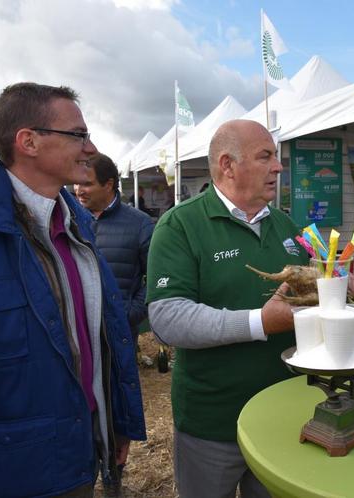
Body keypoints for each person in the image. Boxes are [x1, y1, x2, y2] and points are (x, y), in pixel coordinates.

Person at [0, 82, 146, 497]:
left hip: (82, 457)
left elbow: (96, 342)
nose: (90, 148)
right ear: (28, 141)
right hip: (11, 477)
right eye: (78, 135)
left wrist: (113, 421)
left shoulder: (79, 229)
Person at [146, 119, 308, 498]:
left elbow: (302, 296)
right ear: (227, 165)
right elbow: (168, 319)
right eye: (266, 156)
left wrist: (332, 285)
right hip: (212, 423)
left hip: (280, 416)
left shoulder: (286, 226)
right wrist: (261, 322)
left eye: (276, 157)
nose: (278, 167)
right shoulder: (180, 225)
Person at [75, 152, 154, 345]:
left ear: (108, 184)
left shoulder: (139, 223)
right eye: (76, 183)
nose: (78, 190)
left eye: (86, 183)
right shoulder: (66, 220)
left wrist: (129, 313)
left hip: (119, 336)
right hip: (76, 333)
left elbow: (157, 276)